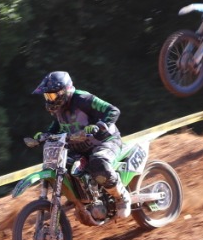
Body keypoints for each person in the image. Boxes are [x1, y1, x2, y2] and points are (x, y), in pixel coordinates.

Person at [32, 70, 132, 219]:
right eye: (47, 96)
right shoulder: (59, 108)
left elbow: (113, 110)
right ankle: (79, 198)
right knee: (63, 165)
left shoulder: (83, 99)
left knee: (98, 163)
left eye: (51, 95)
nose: (49, 99)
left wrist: (99, 126)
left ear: (63, 91)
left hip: (104, 141)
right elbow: (58, 125)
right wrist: (43, 135)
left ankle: (122, 197)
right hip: (80, 147)